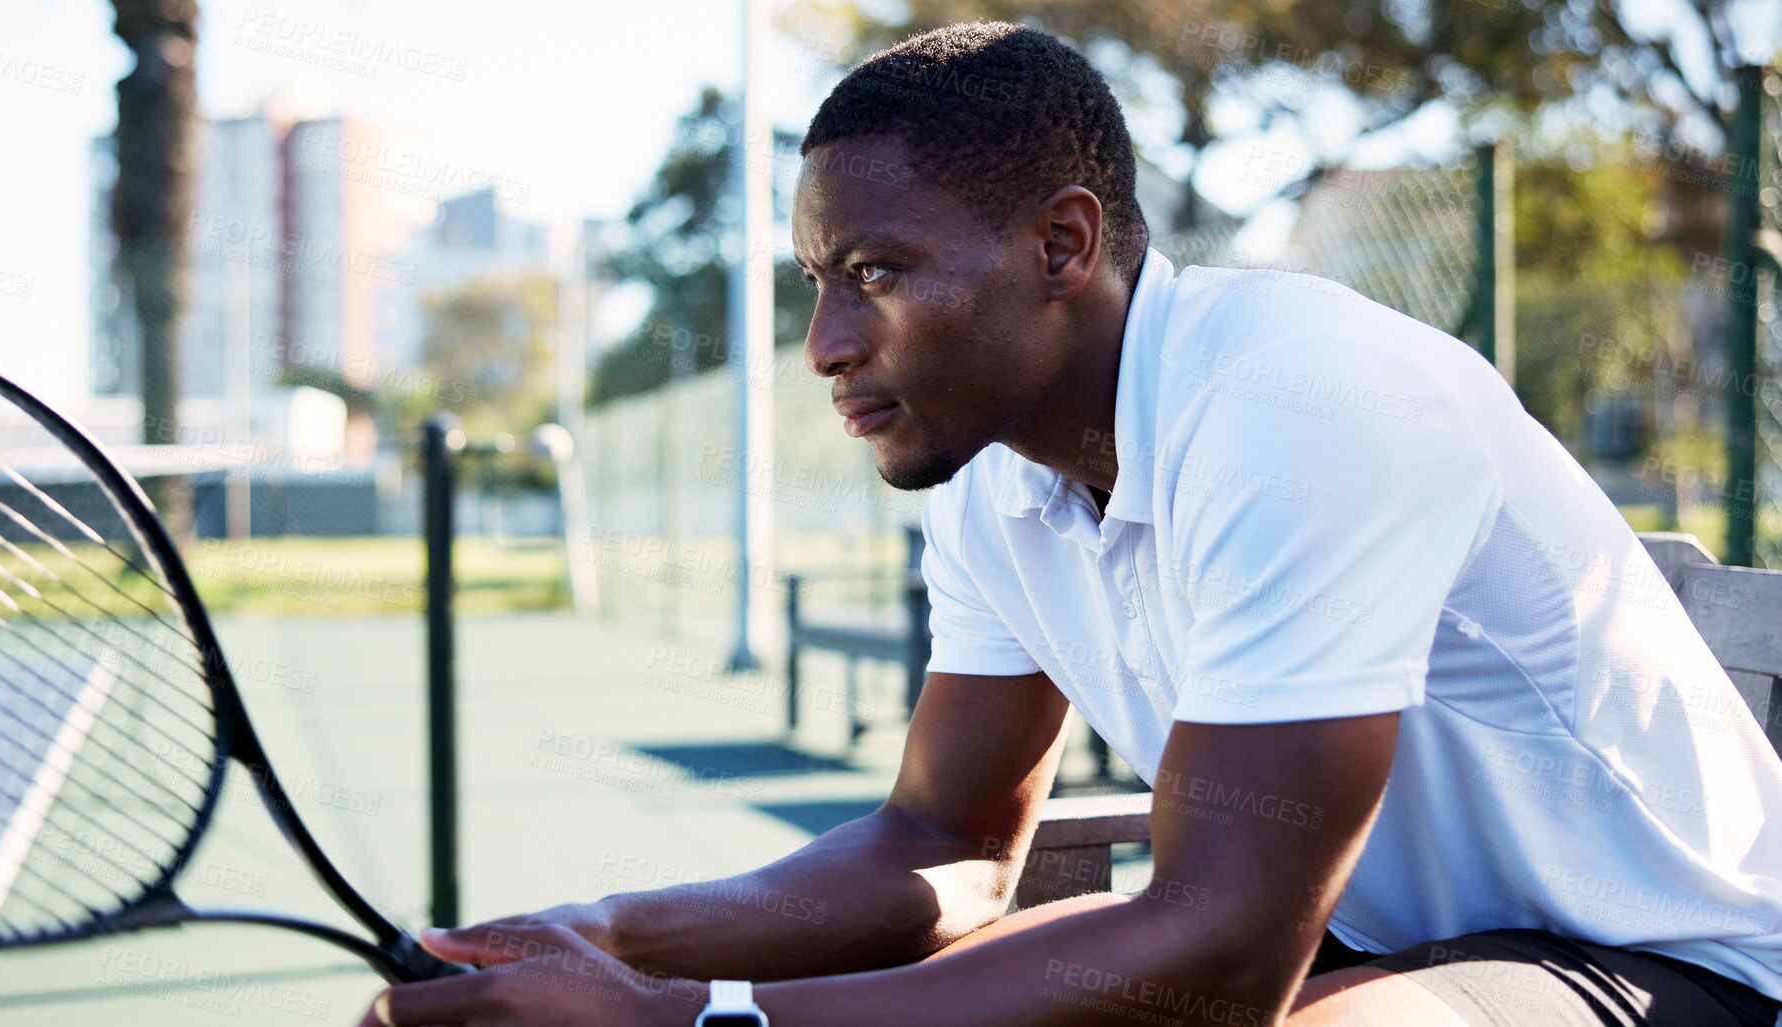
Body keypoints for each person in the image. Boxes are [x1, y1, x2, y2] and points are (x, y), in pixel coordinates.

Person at [362, 23, 1782, 1026]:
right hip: (1369, 931)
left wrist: (701, 1023)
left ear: (1065, 246)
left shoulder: (1299, 406)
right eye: (813, 278)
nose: (824, 342)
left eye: (873, 271)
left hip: (1669, 958)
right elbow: (942, 841)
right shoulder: (990, 474)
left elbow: (1221, 954)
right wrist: (607, 938)